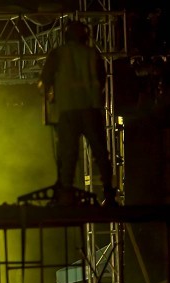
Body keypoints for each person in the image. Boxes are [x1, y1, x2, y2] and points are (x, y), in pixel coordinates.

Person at [39, 19, 117, 207]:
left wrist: (50, 98)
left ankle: (66, 195)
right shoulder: (93, 54)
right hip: (91, 108)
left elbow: (45, 81)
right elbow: (102, 80)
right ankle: (109, 194)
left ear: (66, 36)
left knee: (68, 154)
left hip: (67, 110)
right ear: (85, 35)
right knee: (101, 153)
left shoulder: (58, 54)